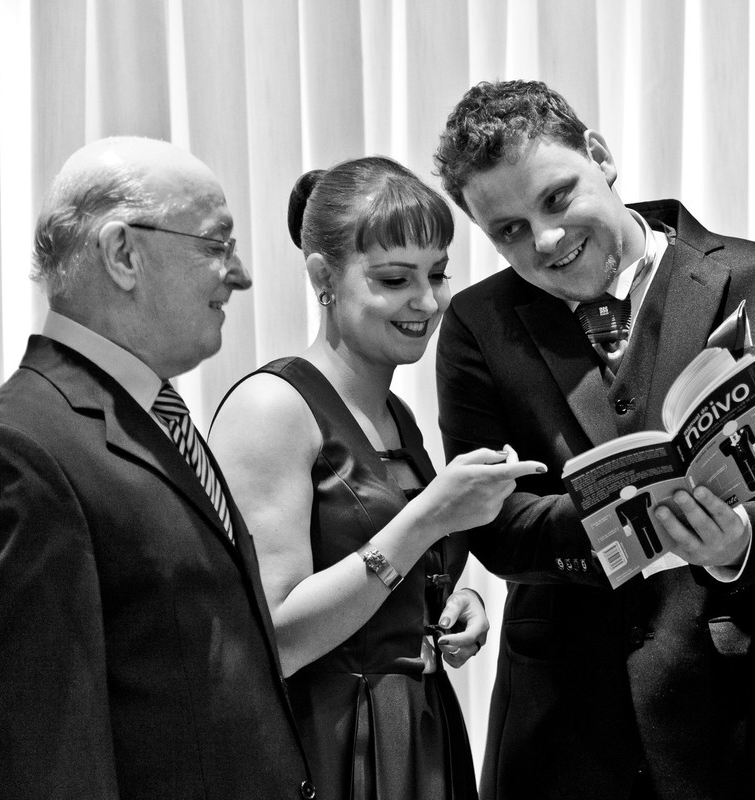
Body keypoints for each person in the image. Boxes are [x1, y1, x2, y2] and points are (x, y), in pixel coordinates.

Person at [433, 79, 755, 800]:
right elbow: (495, 525)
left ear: (601, 155)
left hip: (742, 718)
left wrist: (737, 539)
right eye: (509, 231)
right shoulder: (475, 323)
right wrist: (635, 521)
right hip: (563, 730)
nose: (547, 241)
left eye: (557, 199)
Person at [0, 137, 316, 799]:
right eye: (216, 244)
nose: (240, 274)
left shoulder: (156, 416)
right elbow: (41, 767)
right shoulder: (15, 453)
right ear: (123, 253)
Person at [208, 156, 544, 800]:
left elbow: (388, 575)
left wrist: (444, 603)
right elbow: (272, 637)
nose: (426, 301)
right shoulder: (271, 408)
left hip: (419, 731)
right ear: (322, 277)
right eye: (394, 279)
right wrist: (427, 522)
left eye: (438, 274)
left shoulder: (397, 415)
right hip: (330, 745)